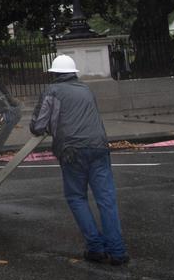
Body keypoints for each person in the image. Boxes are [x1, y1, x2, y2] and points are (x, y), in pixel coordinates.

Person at [30, 54, 129, 266]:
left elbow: (37, 125)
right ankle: (118, 252)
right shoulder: (86, 89)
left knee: (76, 197)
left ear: (55, 74)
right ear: (74, 73)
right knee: (106, 200)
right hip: (99, 148)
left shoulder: (52, 91)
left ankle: (95, 247)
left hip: (71, 151)